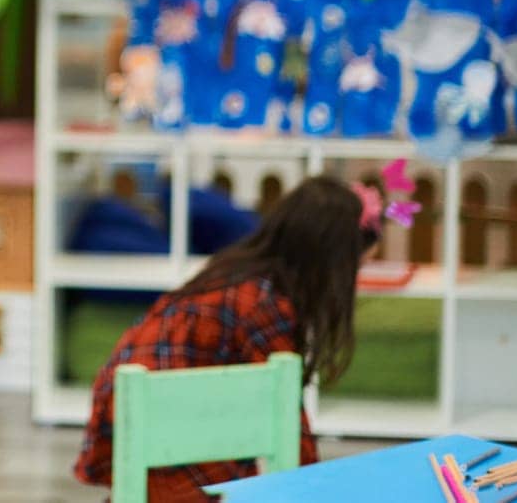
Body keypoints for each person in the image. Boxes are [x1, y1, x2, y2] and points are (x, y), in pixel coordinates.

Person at [73, 174, 381, 502]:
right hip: (166, 416)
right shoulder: (265, 303)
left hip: (130, 407)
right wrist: (310, 487)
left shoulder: (237, 271)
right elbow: (285, 410)